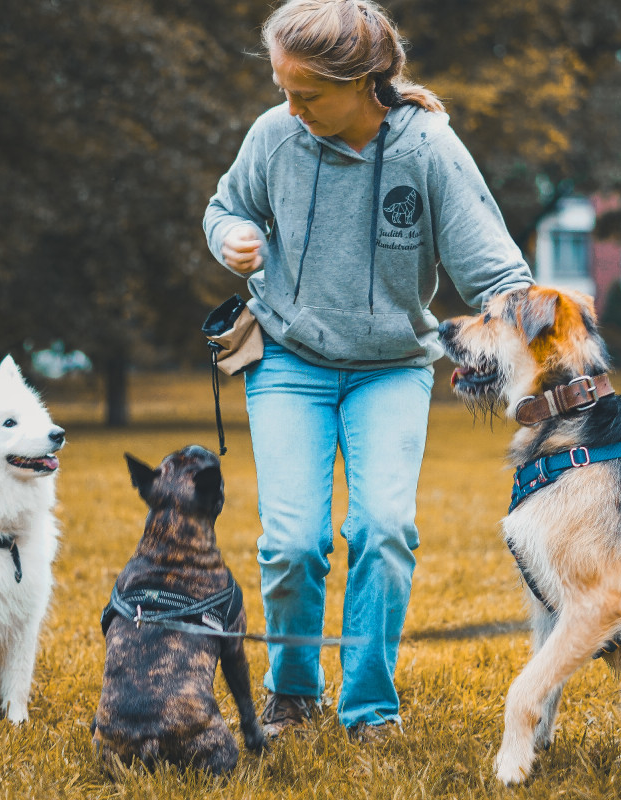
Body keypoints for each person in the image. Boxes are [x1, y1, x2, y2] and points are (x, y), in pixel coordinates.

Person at [203, 0, 533, 741]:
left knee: (384, 528)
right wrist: (232, 236)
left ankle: (369, 708)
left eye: (307, 94)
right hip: (289, 360)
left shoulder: (428, 150)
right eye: (283, 88)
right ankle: (291, 691)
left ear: (365, 83)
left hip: (390, 369)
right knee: (293, 542)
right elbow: (225, 206)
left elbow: (497, 273)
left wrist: (533, 340)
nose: (289, 107)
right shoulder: (275, 135)